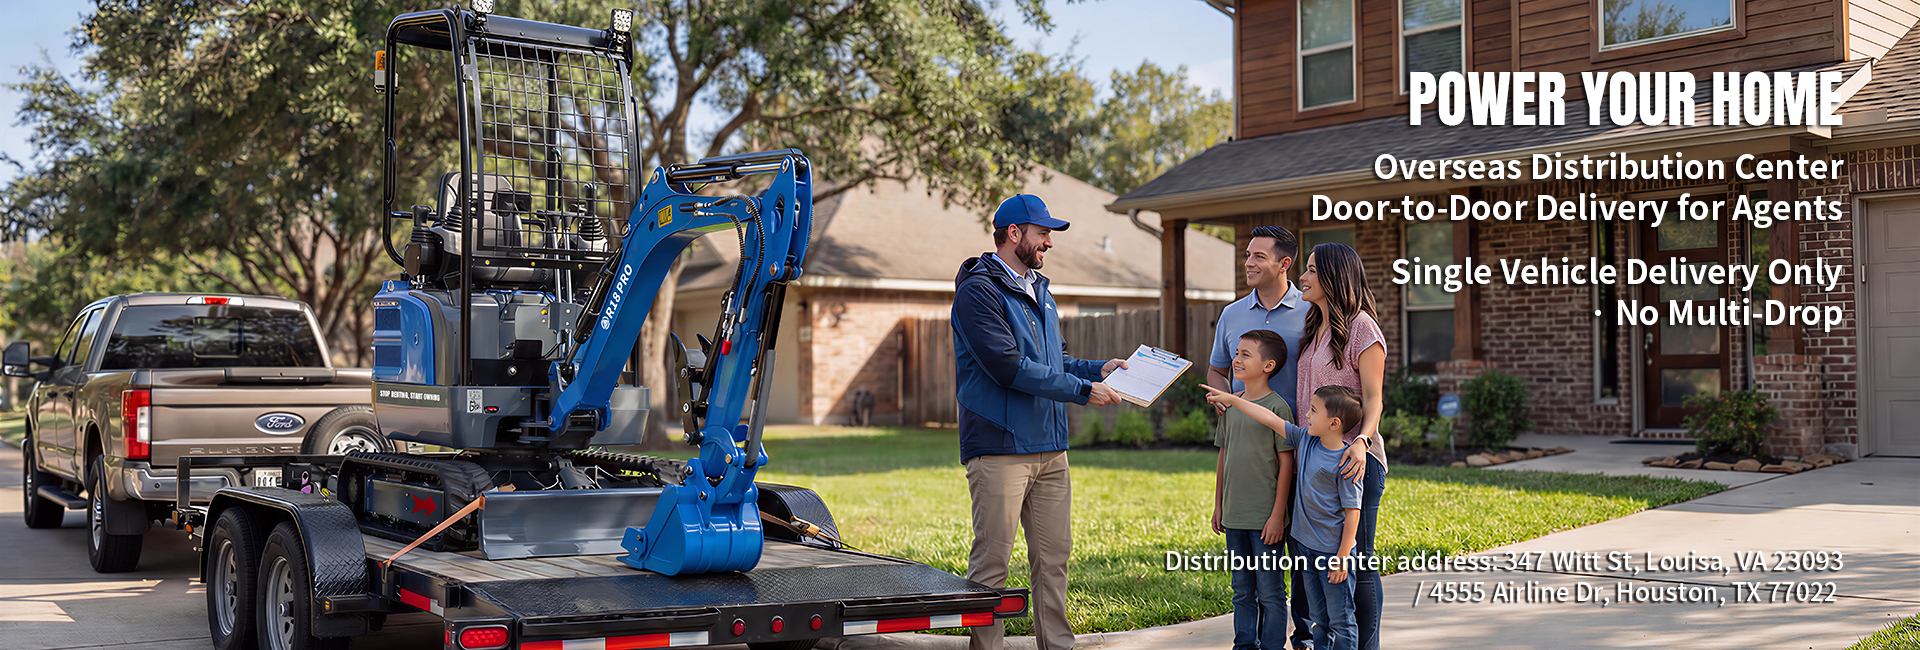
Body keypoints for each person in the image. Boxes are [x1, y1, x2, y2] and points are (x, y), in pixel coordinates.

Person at [950, 193, 1129, 650]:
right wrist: (1083, 391)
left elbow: (1056, 359)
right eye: (1043, 232)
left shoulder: (1039, 289)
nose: (1049, 242)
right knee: (993, 564)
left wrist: (1095, 370)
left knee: (1053, 560)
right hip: (1000, 448)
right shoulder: (979, 292)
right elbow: (1009, 367)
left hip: (1051, 449)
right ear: (1015, 233)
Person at [1207, 225, 1313, 649]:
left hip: (1299, 447)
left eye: (1257, 257)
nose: (1248, 263)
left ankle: (1302, 634)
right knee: (1252, 566)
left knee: (1300, 549)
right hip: (1248, 449)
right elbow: (1217, 367)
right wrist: (1226, 399)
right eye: (1246, 255)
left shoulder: (1310, 308)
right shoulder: (1233, 314)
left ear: (1284, 264)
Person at [1206, 384, 1366, 650]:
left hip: (1332, 555)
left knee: (1340, 619)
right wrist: (1233, 399)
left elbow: (1353, 513)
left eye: (1313, 411)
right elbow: (1267, 417)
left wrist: (1342, 557)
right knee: (1319, 619)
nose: (1306, 415)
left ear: (1334, 423)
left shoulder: (1346, 462)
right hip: (1306, 549)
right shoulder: (1305, 440)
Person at [1295, 242, 1388, 650]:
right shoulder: (1314, 329)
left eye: (1312, 270)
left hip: (1354, 461)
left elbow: (1374, 399)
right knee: (1321, 563)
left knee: (1359, 561)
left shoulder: (1363, 327)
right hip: (1316, 462)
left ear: (1334, 277)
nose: (1303, 276)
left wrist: (1361, 442)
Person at [1211, 329, 1297, 650]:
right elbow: (1224, 456)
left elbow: (1286, 464)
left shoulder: (1278, 408)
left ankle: (1273, 645)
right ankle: (1244, 645)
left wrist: (1278, 516)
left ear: (1268, 365)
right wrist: (1219, 506)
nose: (1236, 359)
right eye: (1236, 353)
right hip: (1234, 517)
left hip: (1266, 522)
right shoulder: (1231, 405)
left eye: (1246, 354)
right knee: (1242, 590)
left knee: (1271, 591)